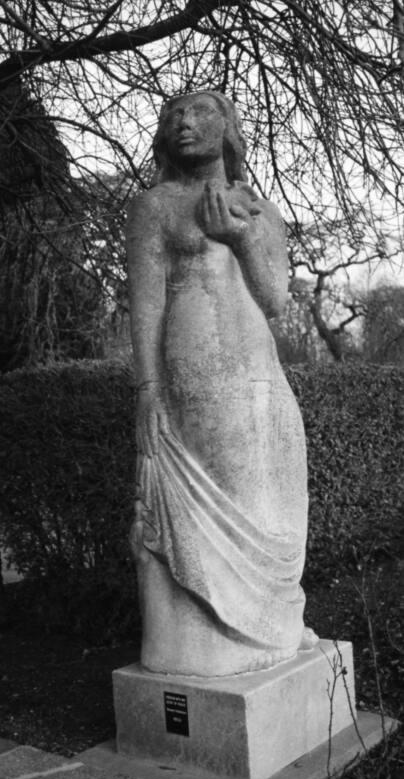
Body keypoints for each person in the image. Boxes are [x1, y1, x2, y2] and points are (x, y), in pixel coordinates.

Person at [126, 91, 317, 676]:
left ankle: (274, 627)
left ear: (228, 129)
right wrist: (148, 390)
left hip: (262, 375)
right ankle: (211, 642)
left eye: (200, 112)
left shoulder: (260, 211)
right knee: (223, 489)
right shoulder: (154, 207)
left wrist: (240, 238)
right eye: (174, 116)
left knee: (272, 495)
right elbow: (146, 307)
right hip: (196, 372)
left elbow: (276, 299)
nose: (184, 122)